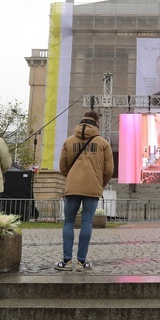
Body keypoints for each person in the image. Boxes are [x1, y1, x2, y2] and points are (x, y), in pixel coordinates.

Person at [56, 111, 113, 271]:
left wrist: (72, 177)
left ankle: (66, 261)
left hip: (72, 187)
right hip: (92, 187)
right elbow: (109, 170)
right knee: (87, 222)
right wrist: (99, 183)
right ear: (96, 123)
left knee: (68, 222)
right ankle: (82, 261)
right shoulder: (102, 143)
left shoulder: (69, 141)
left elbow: (63, 167)